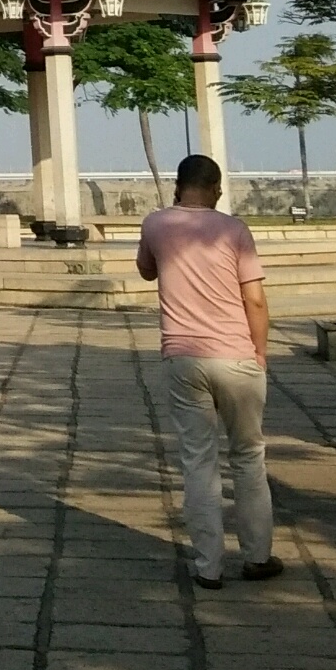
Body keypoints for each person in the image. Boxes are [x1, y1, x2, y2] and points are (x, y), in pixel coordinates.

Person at [136, 152, 280, 590]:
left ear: (178, 186)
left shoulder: (155, 224)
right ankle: (257, 558)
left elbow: (145, 271)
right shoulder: (235, 230)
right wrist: (260, 352)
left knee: (198, 463)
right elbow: (254, 300)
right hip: (236, 357)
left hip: (182, 358)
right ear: (216, 188)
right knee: (249, 458)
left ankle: (208, 566)